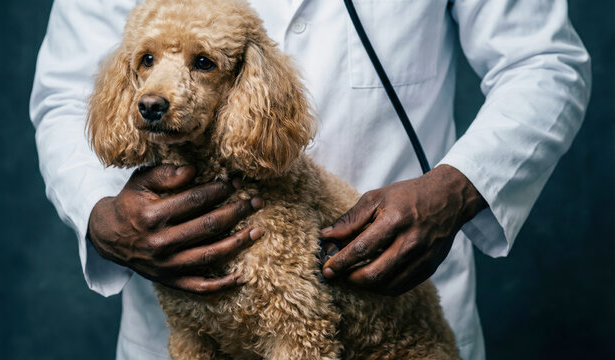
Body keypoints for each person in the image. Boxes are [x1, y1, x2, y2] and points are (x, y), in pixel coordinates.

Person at [29, 0, 591, 359]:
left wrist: (459, 186)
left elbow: (542, 62)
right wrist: (98, 211)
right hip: (177, 320)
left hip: (390, 297)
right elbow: (64, 94)